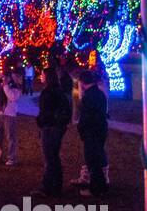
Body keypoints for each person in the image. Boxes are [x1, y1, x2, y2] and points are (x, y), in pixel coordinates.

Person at [35, 67, 72, 196]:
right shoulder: (58, 91)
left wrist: (42, 120)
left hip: (50, 127)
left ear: (48, 77)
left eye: (42, 74)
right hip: (56, 127)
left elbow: (46, 111)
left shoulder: (49, 92)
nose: (41, 76)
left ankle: (49, 187)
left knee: (50, 158)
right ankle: (56, 185)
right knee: (54, 157)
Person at [76, 70, 110, 197]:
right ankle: (101, 185)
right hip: (100, 129)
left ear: (83, 82)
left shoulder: (89, 96)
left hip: (92, 131)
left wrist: (82, 128)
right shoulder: (99, 94)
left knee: (93, 159)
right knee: (98, 157)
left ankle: (96, 188)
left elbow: (87, 116)